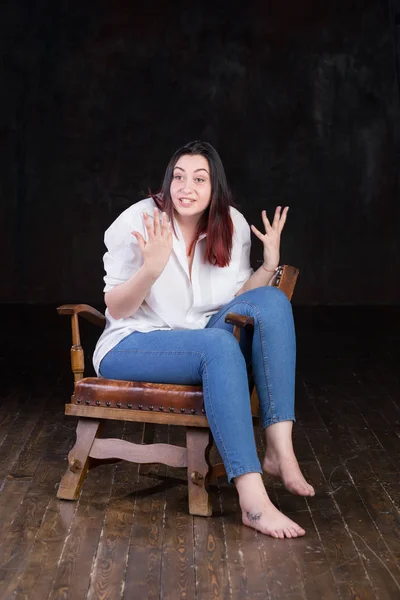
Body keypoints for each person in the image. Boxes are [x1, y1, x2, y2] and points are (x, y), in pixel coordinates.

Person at [93, 140, 315, 539]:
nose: (185, 187)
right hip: (134, 342)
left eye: (199, 178)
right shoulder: (139, 220)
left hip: (200, 340)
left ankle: (280, 448)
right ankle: (254, 502)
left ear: (216, 188)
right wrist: (151, 268)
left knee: (272, 301)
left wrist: (268, 266)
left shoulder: (229, 223)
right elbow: (117, 307)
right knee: (219, 345)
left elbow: (238, 301)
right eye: (178, 177)